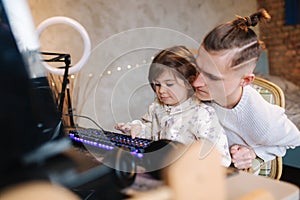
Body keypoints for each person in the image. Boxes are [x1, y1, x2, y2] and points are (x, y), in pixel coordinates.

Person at [192, 9, 300, 171]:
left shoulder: (263, 120)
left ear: (245, 80)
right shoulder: (195, 93)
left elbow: (294, 140)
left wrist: (254, 152)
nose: (196, 83)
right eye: (197, 69)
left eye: (212, 77)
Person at [115, 45, 231, 167]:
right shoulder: (157, 107)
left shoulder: (202, 114)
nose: (161, 91)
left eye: (169, 84)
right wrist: (137, 129)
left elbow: (221, 159)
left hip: (186, 174)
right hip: (157, 168)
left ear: (189, 82)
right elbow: (150, 133)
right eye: (157, 84)